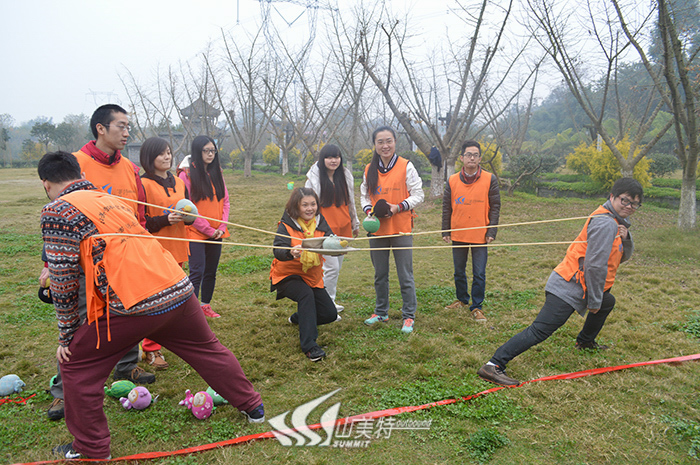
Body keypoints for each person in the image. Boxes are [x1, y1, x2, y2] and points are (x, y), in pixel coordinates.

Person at [38, 151, 264, 460]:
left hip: (134, 303)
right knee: (208, 349)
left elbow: (63, 281)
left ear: (46, 184)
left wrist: (67, 337)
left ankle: (91, 448)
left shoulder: (57, 210)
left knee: (76, 364)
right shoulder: (109, 199)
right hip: (176, 288)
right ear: (81, 175)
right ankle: (253, 406)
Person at [477, 178, 644, 386]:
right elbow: (594, 266)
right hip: (568, 287)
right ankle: (493, 365)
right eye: (625, 200)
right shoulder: (606, 223)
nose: (629, 207)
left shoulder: (614, 221)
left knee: (607, 302)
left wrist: (626, 237)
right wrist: (594, 301)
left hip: (580, 283)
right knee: (539, 330)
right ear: (612, 197)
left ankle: (585, 341)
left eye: (634, 204)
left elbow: (619, 256)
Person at [45, 104, 155, 422]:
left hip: (124, 257)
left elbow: (139, 214)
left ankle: (127, 366)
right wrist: (49, 262)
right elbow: (56, 218)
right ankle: (64, 390)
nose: (127, 132)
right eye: (121, 126)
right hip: (83, 262)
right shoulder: (75, 164)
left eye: (128, 126)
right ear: (101, 129)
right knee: (80, 325)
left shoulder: (130, 168)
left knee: (129, 312)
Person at [360, 126, 424, 334]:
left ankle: (408, 316)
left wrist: (398, 207)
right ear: (375, 145)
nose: (385, 145)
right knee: (380, 274)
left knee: (405, 275)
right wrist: (369, 211)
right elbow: (364, 196)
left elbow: (418, 194)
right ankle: (381, 312)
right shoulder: (369, 169)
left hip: (401, 229)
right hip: (377, 230)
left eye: (388, 141)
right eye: (380, 142)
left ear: (395, 142)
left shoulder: (406, 166)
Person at [140, 137, 193, 370]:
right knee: (156, 302)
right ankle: (150, 348)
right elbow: (140, 221)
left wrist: (190, 217)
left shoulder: (179, 182)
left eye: (169, 152)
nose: (167, 156)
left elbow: (189, 212)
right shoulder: (142, 184)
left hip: (178, 248)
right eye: (161, 153)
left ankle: (169, 340)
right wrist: (164, 220)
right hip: (154, 251)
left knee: (173, 300)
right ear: (149, 157)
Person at [270, 187, 339, 362]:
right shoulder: (286, 224)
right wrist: (290, 252)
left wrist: (339, 247)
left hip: (311, 276)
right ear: (296, 206)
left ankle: (299, 318)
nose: (310, 209)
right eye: (305, 205)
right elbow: (277, 249)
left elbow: (330, 243)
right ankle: (310, 346)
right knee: (305, 295)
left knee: (330, 314)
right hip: (287, 275)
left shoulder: (320, 222)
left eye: (313, 204)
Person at [442, 140, 500, 321]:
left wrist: (491, 231)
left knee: (479, 273)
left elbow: (495, 207)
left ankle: (476, 306)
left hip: (480, 234)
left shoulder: (490, 179)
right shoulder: (452, 180)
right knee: (459, 270)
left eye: (475, 155)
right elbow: (446, 207)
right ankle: (462, 299)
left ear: (480, 158)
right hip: (458, 232)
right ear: (462, 158)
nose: (472, 158)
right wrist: (445, 230)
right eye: (468, 155)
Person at [179, 136, 230, 319]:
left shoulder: (217, 172)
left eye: (213, 151)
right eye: (206, 151)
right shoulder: (186, 175)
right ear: (197, 151)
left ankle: (205, 305)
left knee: (210, 271)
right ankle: (191, 313)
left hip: (217, 233)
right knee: (197, 271)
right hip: (195, 232)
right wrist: (209, 229)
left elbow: (225, 202)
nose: (210, 154)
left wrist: (222, 227)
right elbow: (188, 208)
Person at [304, 144, 360, 312]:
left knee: (336, 268)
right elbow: (307, 206)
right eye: (329, 157)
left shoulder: (345, 176)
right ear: (322, 159)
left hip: (343, 228)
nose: (333, 160)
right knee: (332, 268)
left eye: (336, 157)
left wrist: (355, 222)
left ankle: (328, 301)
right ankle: (326, 306)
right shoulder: (314, 179)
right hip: (325, 231)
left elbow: (351, 202)